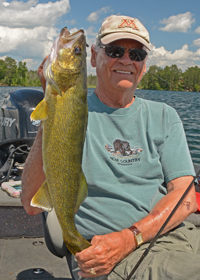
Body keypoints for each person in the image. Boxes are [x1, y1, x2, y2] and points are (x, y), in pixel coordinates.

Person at [21, 15, 200, 280]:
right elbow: (32, 203)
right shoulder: (71, 110)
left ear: (144, 65)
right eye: (115, 51)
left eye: (136, 54)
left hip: (171, 237)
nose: (126, 60)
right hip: (106, 253)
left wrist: (132, 237)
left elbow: (184, 196)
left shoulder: (165, 115)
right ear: (94, 58)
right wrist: (53, 112)